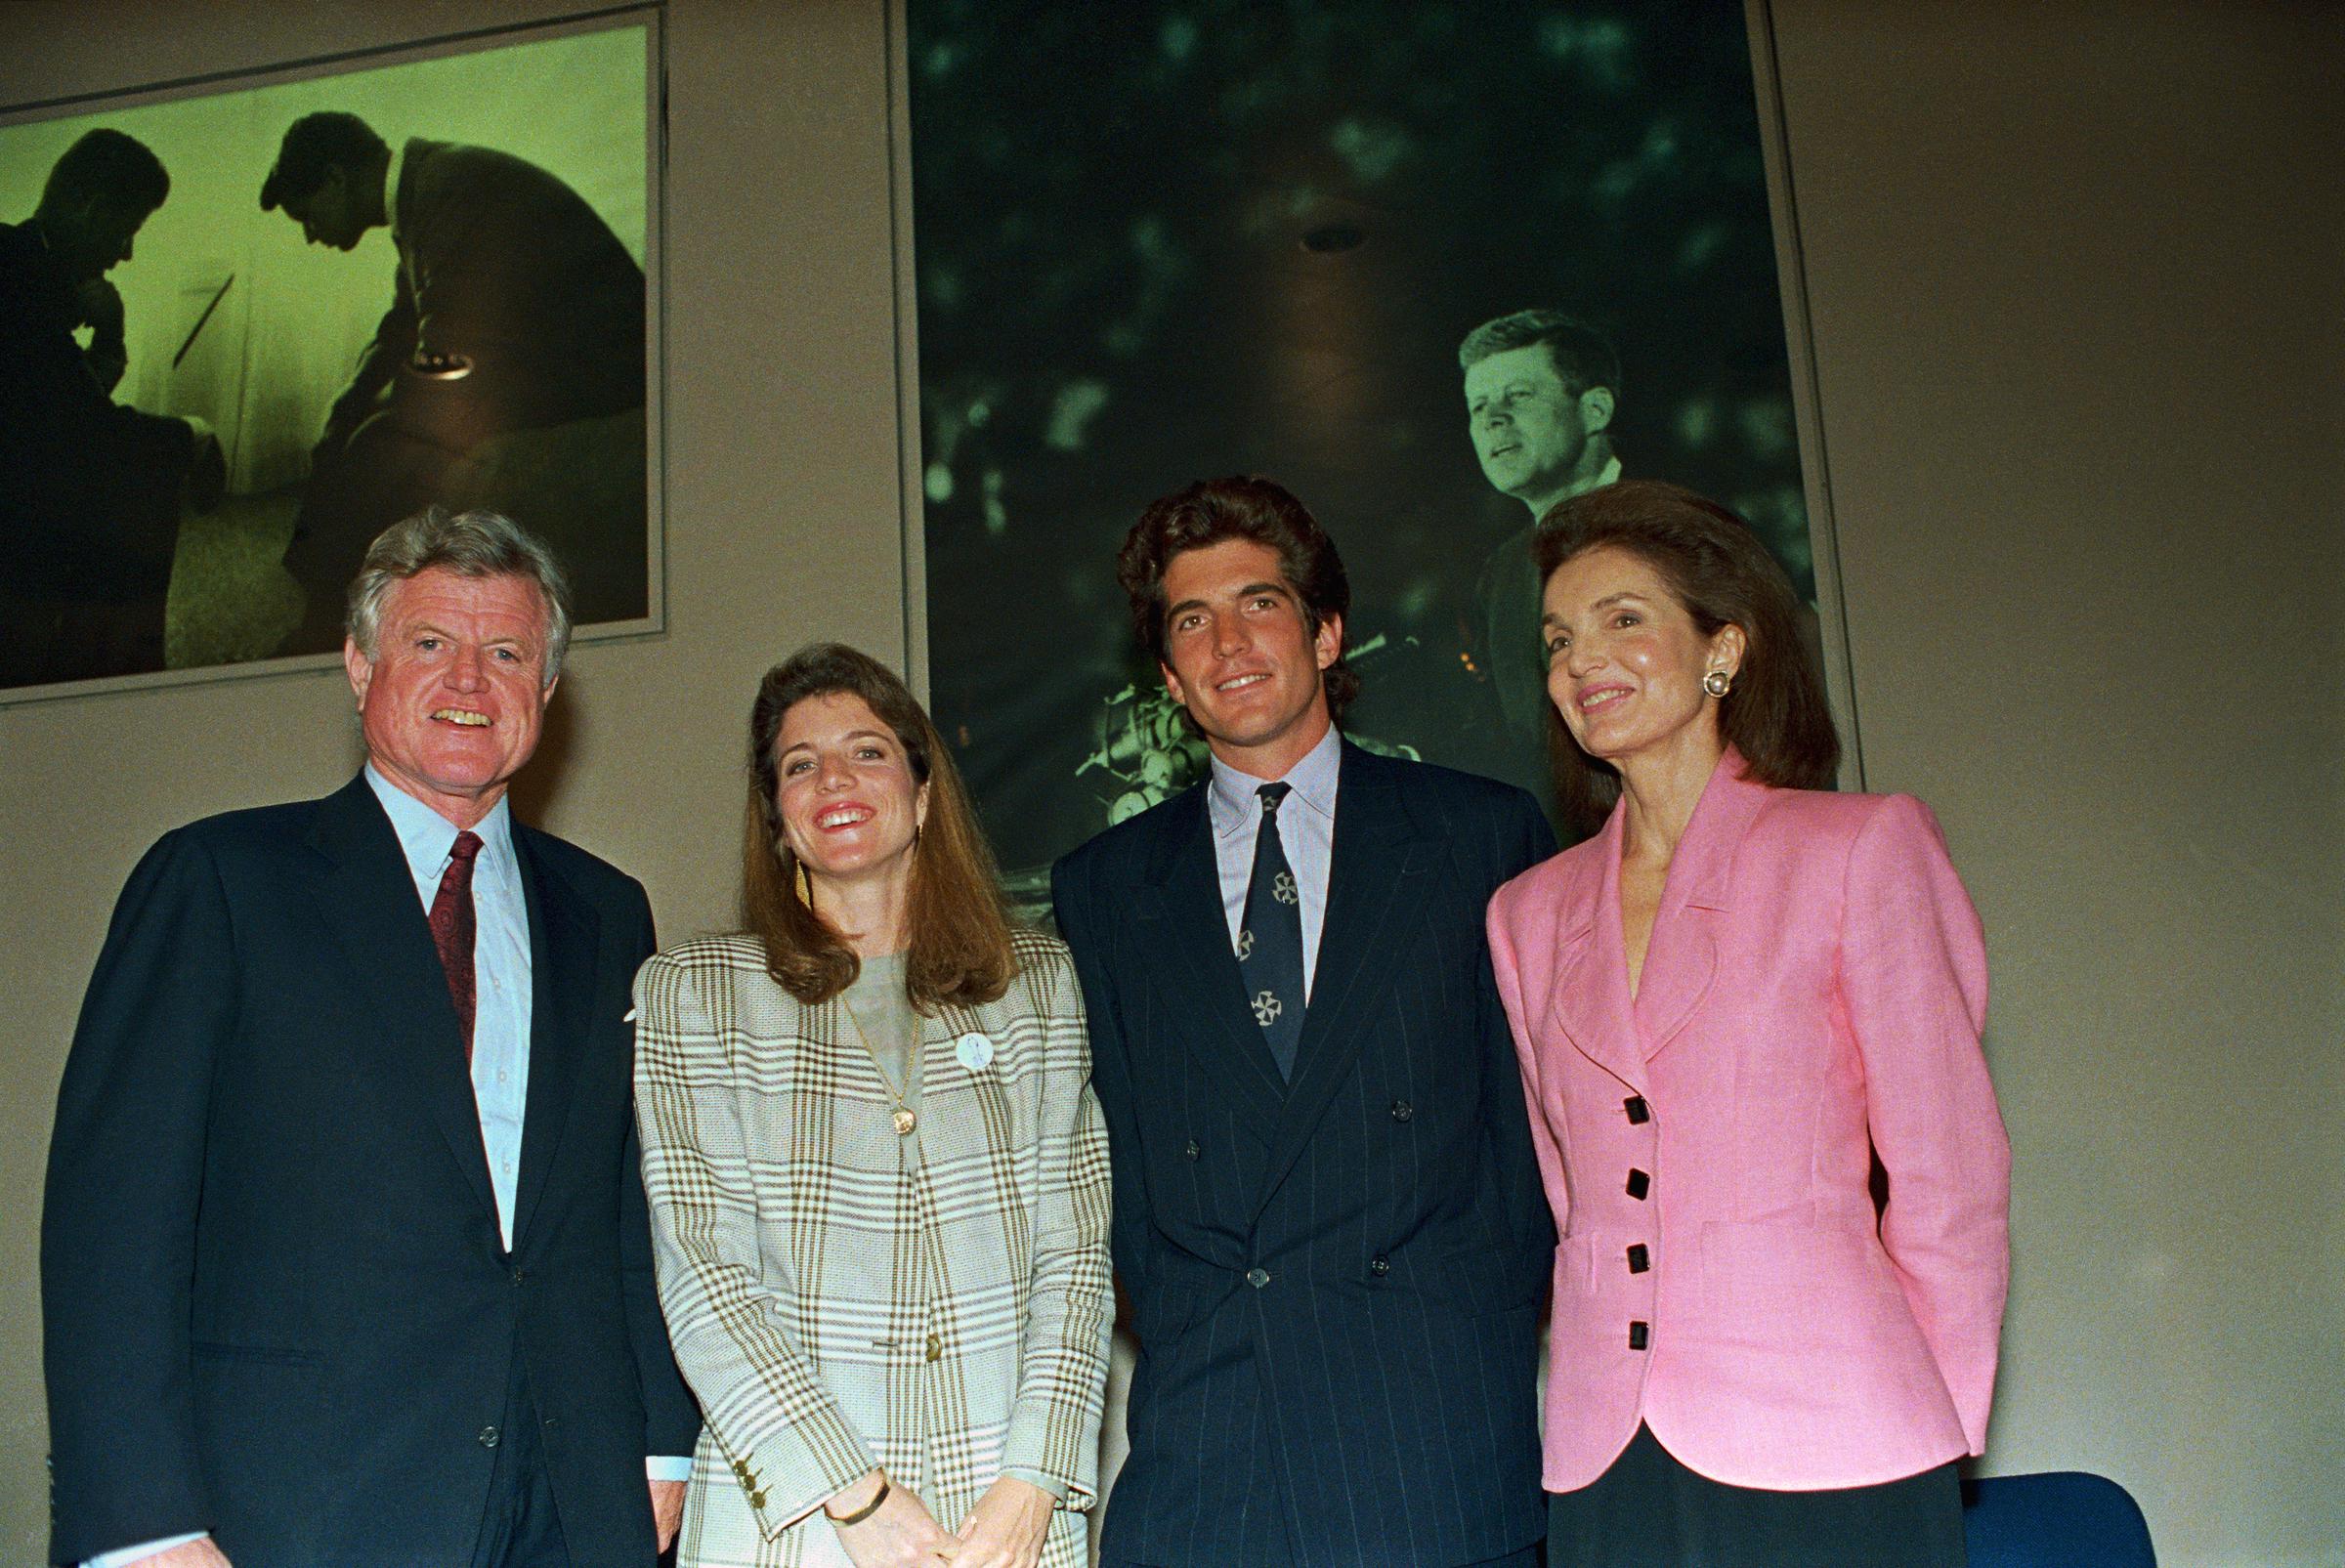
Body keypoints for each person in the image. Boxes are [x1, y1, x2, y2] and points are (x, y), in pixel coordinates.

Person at [42, 508, 699, 1568]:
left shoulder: (607, 911)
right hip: (303, 1501)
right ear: (358, 667)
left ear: (546, 690)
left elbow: (632, 1199)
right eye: (429, 645)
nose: (468, 682)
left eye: (507, 653)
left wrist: (665, 1447)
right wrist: (140, 1522)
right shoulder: (219, 883)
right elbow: (115, 1227)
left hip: (572, 1500)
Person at [1485, 481, 2011, 1567]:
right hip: (1607, 1454)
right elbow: (1570, 1189)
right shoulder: (1525, 914)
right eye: (1559, 639)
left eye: (1624, 619)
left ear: (1723, 650)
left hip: (1837, 1439)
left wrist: (1935, 1428)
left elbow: (1951, 1172)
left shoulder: (1860, 849)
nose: (1584, 661)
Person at [1051, 477, 1556, 1568]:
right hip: (1210, 1437)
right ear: (1170, 680)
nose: (1228, 641)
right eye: (1191, 621)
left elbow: (1531, 1139)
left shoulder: (1479, 836)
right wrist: (1189, 1315)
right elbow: (1120, 1154)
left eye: (1259, 603)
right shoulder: (1104, 885)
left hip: (1432, 1426)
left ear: (1327, 634)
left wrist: (1468, 1320)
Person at [633, 643, 1113, 1568]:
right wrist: (858, 1500)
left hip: (1003, 1523)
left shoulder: (1038, 983)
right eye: (799, 765)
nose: (833, 780)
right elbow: (704, 1275)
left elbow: (1075, 1256)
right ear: (777, 818)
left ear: (924, 792)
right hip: (797, 1521)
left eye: (867, 750)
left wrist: (1034, 1481)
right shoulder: (694, 994)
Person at [259, 112, 646, 651]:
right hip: (547, 356)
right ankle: (326, 610)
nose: (309, 235)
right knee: (361, 431)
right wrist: (342, 409)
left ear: (336, 180)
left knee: (382, 447)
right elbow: (402, 327)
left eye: (307, 215)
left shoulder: (450, 189)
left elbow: (452, 342)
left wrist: (373, 422)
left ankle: (327, 623)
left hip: (598, 372)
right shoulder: (428, 189)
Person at [1, 128, 223, 688]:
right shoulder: (17, 277)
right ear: (86, 207)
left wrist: (108, 338)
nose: (125, 253)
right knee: (133, 482)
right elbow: (84, 432)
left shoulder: (30, 266)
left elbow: (61, 403)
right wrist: (193, 435)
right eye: (127, 230)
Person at [1458, 310, 1624, 776]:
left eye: (1518, 396)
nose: (1492, 421)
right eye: (1478, 406)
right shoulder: (1502, 573)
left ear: (1595, 410)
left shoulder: (1683, 530)